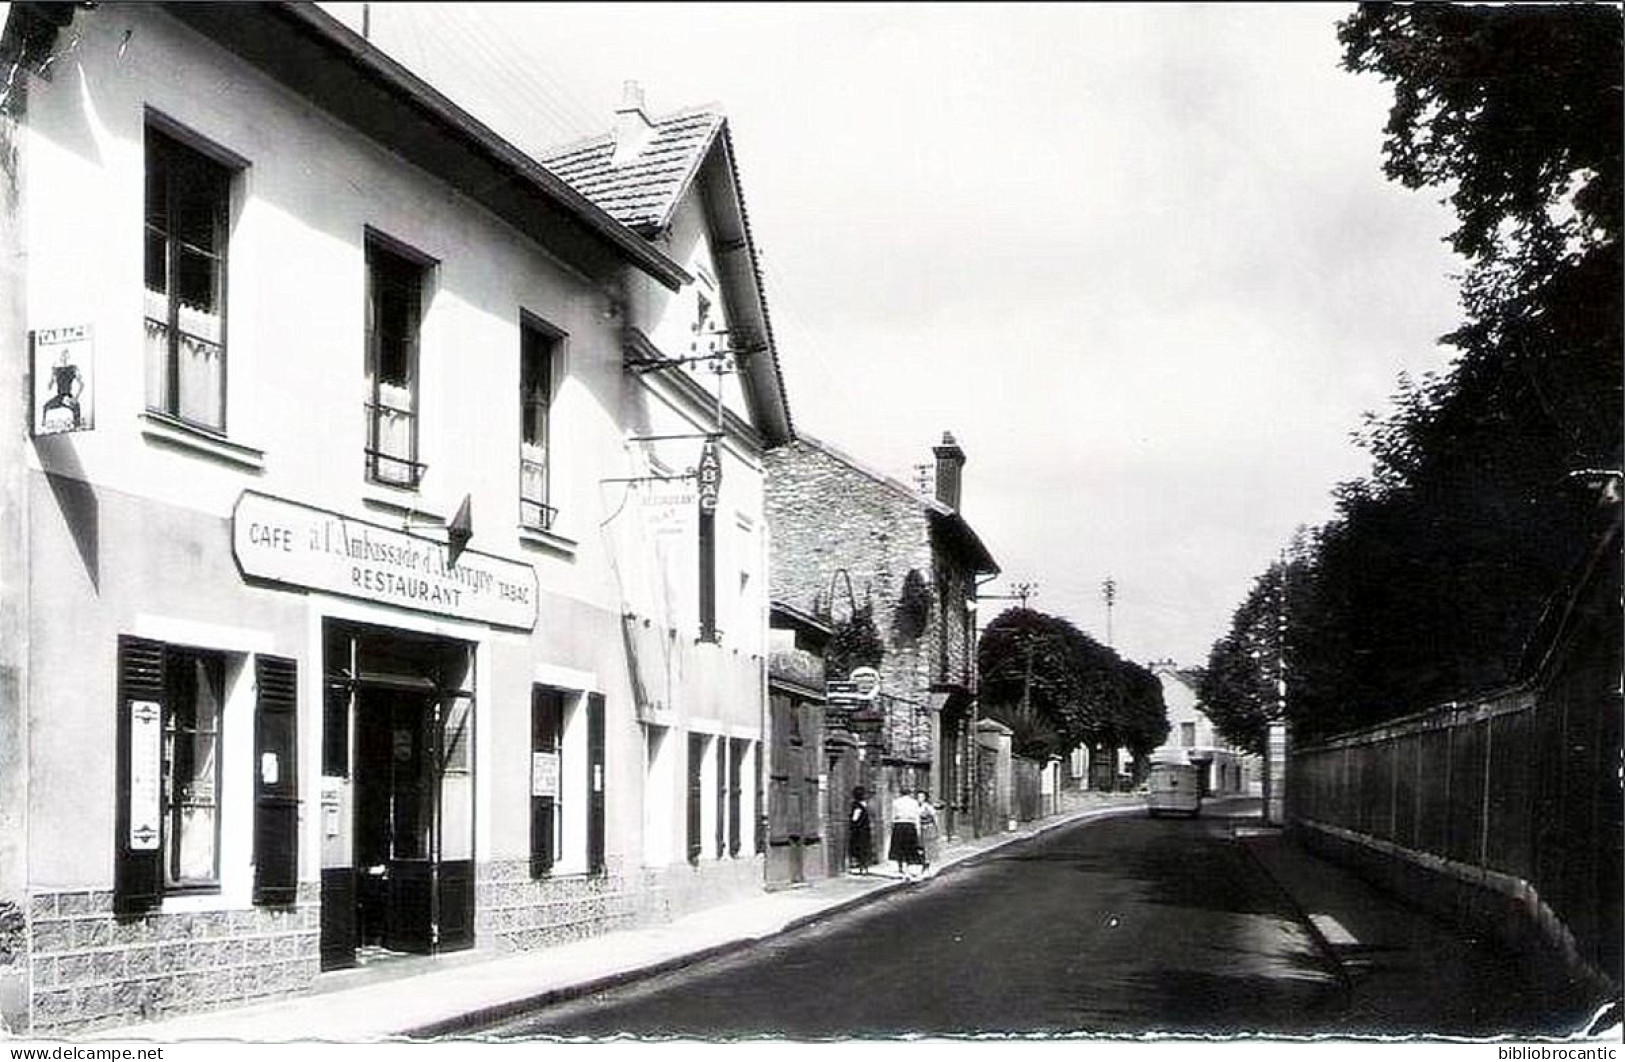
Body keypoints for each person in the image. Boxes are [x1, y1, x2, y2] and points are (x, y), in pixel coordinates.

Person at [889, 789, 924, 880]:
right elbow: (917, 817)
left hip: (899, 824)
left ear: (901, 793)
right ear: (909, 794)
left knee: (899, 847)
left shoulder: (896, 802)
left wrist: (892, 826)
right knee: (909, 848)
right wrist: (918, 829)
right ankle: (908, 869)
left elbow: (893, 816)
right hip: (910, 825)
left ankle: (901, 868)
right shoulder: (914, 803)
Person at [848, 787, 874, 875]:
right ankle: (862, 867)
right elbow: (855, 819)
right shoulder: (858, 806)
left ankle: (863, 866)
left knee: (862, 848)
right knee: (862, 848)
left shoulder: (860, 805)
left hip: (861, 830)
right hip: (860, 831)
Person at [916, 790, 938, 873]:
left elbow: (934, 817)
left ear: (925, 798)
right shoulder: (916, 807)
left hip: (928, 828)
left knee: (928, 848)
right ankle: (923, 865)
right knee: (920, 848)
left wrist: (936, 828)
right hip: (920, 829)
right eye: (918, 797)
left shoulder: (928, 807)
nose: (920, 799)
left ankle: (927, 867)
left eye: (921, 797)